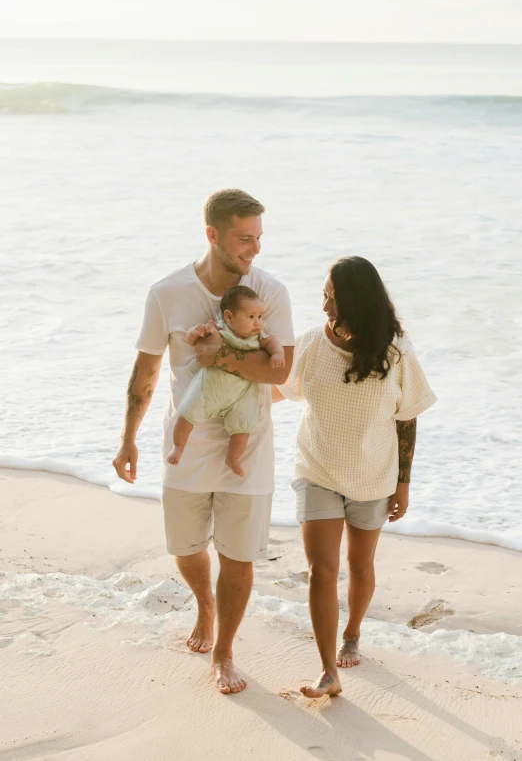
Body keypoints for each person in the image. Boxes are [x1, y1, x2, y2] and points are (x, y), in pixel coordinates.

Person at [112, 189, 294, 694]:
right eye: (244, 239)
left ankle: (224, 652)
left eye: (258, 239)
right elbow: (146, 368)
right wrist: (127, 438)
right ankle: (205, 604)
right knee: (187, 548)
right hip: (185, 444)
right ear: (212, 235)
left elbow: (282, 366)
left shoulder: (270, 293)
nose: (254, 250)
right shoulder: (167, 293)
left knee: (238, 556)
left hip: (247, 448)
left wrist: (219, 360)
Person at [273, 256, 436, 699]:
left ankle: (353, 633)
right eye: (324, 295)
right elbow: (277, 389)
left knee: (359, 566)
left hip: (373, 476)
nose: (324, 305)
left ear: (355, 301)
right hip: (317, 469)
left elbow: (407, 419)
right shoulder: (311, 343)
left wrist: (403, 482)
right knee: (320, 572)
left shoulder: (396, 351)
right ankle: (328, 670)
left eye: (332, 297)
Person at [167, 285, 285, 478]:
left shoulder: (258, 336)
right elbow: (192, 341)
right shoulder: (218, 329)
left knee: (242, 426)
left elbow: (272, 343)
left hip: (242, 394)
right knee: (186, 413)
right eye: (251, 317)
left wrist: (277, 354)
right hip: (210, 388)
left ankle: (233, 458)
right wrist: (194, 333)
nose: (258, 323)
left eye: (260, 317)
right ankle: (178, 447)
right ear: (229, 317)